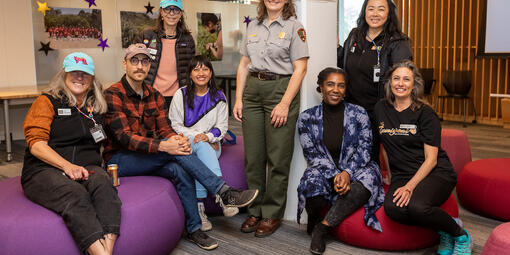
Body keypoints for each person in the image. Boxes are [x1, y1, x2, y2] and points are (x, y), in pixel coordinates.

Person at [103, 43, 258, 251]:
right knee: (174, 154)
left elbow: (166, 129)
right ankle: (223, 191)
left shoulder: (154, 94)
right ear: (125, 64)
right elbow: (125, 138)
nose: (140, 66)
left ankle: (194, 229)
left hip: (147, 156)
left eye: (144, 61)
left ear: (149, 65)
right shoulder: (113, 94)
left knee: (179, 166)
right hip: (120, 159)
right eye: (134, 61)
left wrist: (178, 141)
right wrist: (166, 146)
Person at [21, 52, 121, 255]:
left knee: (105, 187)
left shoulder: (96, 107)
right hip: (44, 170)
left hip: (87, 168)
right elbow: (37, 145)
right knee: (75, 194)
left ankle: (106, 251)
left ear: (92, 79)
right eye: (74, 72)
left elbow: (103, 140)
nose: (79, 77)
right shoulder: (47, 101)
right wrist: (67, 166)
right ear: (64, 75)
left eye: (85, 73)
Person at [374, 60, 471, 255]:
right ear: (389, 83)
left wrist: (410, 186)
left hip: (435, 172)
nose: (400, 83)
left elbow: (431, 159)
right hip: (403, 173)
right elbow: (385, 144)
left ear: (414, 85)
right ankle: (443, 227)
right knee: (393, 209)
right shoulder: (381, 108)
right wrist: (392, 175)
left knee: (417, 207)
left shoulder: (425, 113)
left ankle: (459, 233)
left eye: (406, 79)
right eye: (396, 79)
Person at [233, 0, 309, 237]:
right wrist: (238, 99)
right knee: (253, 157)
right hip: (253, 92)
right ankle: (254, 210)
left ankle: (272, 214)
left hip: (280, 90)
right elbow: (244, 64)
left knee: (278, 157)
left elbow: (300, 69)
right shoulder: (253, 25)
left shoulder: (295, 27)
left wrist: (285, 103)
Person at [297, 68, 384, 254]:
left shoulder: (359, 113)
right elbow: (312, 154)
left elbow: (365, 149)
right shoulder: (306, 118)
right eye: (330, 84)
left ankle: (322, 228)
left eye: (341, 85)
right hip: (326, 169)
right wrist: (336, 174)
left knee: (367, 179)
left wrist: (347, 173)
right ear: (321, 87)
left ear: (345, 90)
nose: (335, 89)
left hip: (357, 168)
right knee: (310, 182)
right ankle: (313, 216)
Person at [338, 0, 413, 161]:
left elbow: (403, 77)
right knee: (349, 156)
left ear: (389, 13)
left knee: (369, 157)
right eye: (371, 9)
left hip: (379, 111)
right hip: (350, 109)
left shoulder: (397, 42)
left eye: (381, 9)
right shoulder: (354, 35)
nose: (375, 14)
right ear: (364, 12)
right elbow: (341, 63)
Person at [169, 55, 236, 231]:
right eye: (196, 69)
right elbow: (175, 124)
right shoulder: (180, 94)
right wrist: (198, 136)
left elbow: (222, 127)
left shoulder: (219, 96)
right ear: (190, 74)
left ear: (211, 73)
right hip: (187, 141)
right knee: (200, 147)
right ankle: (223, 196)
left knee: (202, 149)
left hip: (211, 142)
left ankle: (200, 210)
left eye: (205, 69)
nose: (201, 73)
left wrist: (208, 137)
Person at [137, 0, 195, 109]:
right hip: (150, 95)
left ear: (181, 13)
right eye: (167, 9)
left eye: (176, 9)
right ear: (161, 12)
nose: (172, 13)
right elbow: (133, 64)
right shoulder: (147, 35)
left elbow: (191, 69)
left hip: (178, 97)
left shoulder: (187, 39)